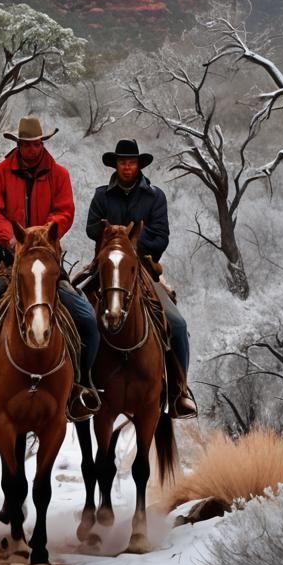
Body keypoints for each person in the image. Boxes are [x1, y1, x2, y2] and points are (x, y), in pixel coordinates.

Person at [0, 116, 101, 423]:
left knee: (87, 320)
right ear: (17, 144)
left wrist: (44, 232)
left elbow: (65, 210)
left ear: (43, 143)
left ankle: (83, 384)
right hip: (7, 264)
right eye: (26, 144)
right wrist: (13, 240)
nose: (32, 148)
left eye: (36, 143)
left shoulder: (59, 175)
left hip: (46, 264)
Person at [85, 138, 198, 418]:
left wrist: (125, 238)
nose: (127, 166)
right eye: (122, 162)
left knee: (178, 324)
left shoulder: (154, 196)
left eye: (131, 162)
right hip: (105, 269)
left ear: (138, 165)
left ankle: (179, 390)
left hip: (144, 270)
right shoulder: (101, 195)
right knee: (78, 316)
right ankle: (79, 385)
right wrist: (119, 238)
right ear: (116, 165)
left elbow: (161, 236)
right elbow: (90, 228)